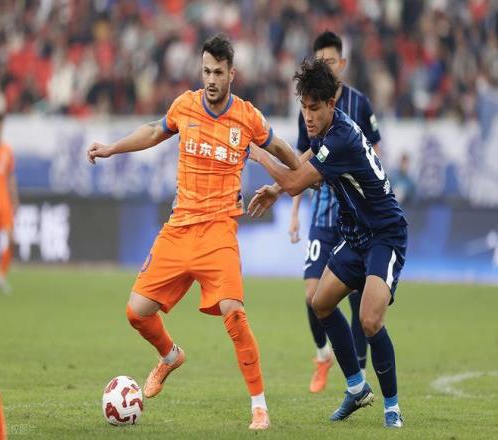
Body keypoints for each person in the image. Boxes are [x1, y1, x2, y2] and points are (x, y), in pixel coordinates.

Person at [87, 33, 300, 430]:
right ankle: (170, 356)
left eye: (218, 72)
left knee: (234, 313)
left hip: (219, 232)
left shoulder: (248, 117)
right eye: (206, 71)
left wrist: (301, 177)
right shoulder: (185, 105)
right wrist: (112, 148)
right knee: (136, 312)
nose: (211, 79)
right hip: (180, 227)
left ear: (232, 74)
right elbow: (154, 130)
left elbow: (285, 152)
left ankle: (259, 406)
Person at [248, 59, 407, 428]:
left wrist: (259, 154)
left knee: (369, 320)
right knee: (320, 303)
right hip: (356, 235)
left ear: (331, 104)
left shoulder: (341, 139)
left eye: (314, 108)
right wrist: (276, 187)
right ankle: (356, 388)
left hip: (385, 235)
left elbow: (295, 182)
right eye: (303, 107)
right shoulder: (328, 130)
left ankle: (392, 408)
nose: (308, 116)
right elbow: (304, 163)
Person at [289, 31, 381, 393]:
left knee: (358, 299)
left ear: (341, 64)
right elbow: (302, 161)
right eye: (320, 62)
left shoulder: (359, 104)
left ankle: (357, 374)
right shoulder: (309, 107)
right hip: (323, 211)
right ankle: (323, 354)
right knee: (312, 294)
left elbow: (374, 155)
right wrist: (295, 212)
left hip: (355, 214)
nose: (325, 67)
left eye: (330, 62)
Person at [0, 113, 19, 295]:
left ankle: (1, 276)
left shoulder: (6, 150)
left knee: (11, 240)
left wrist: (15, 199)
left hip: (4, 203)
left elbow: (11, 177)